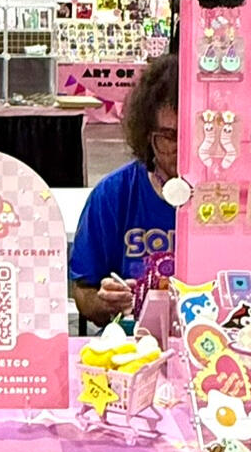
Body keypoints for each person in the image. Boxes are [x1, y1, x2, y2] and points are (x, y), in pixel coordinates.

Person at [70, 53, 179, 327]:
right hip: (133, 340)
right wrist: (105, 302)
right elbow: (83, 292)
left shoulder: (234, 202)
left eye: (195, 134)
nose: (182, 149)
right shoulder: (113, 194)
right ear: (147, 134)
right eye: (169, 137)